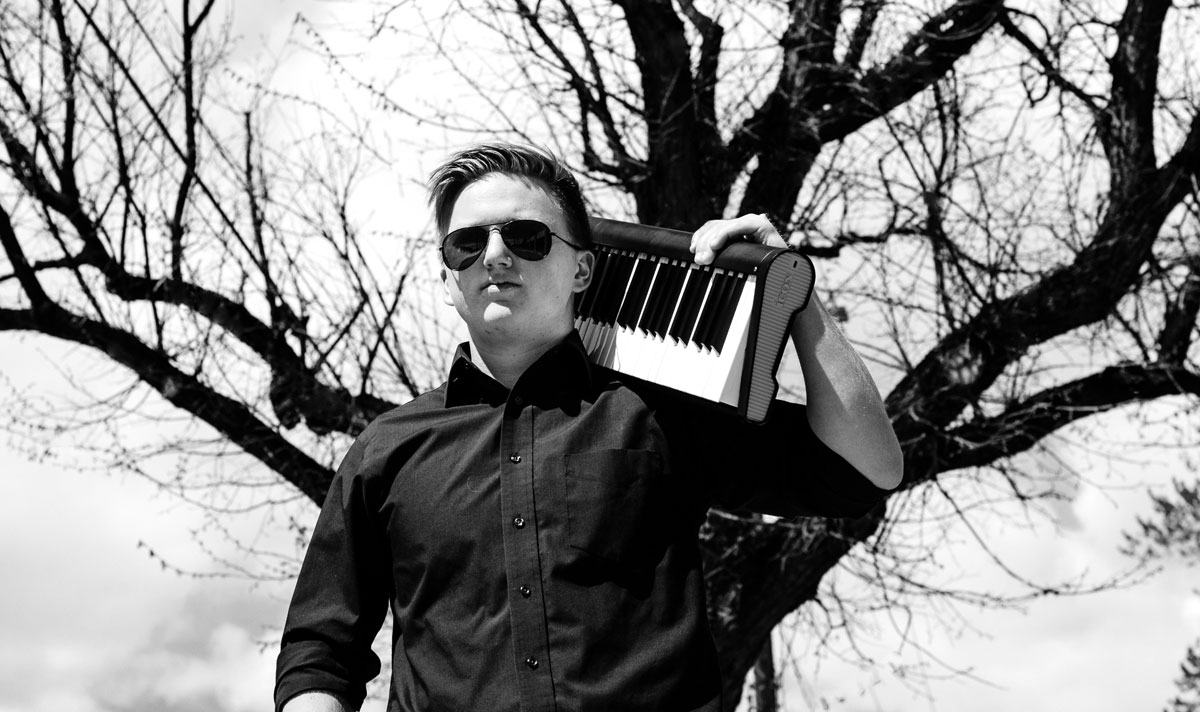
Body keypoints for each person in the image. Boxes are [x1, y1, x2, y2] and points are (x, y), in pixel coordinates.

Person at [274, 142, 903, 712]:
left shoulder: (662, 411)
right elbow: (320, 650)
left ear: (582, 270)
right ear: (448, 280)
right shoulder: (386, 448)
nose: (494, 255)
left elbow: (865, 470)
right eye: (466, 243)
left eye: (526, 236)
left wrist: (792, 286)